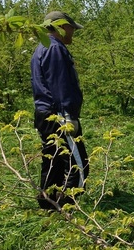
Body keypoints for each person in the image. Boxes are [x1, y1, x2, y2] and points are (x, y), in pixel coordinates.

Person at [30, 11, 89, 210]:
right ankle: (68, 207)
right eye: (71, 28)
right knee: (77, 164)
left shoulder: (42, 47)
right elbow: (61, 85)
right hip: (58, 116)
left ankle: (47, 205)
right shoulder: (55, 49)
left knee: (53, 162)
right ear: (61, 27)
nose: (73, 32)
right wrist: (69, 116)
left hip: (44, 114)